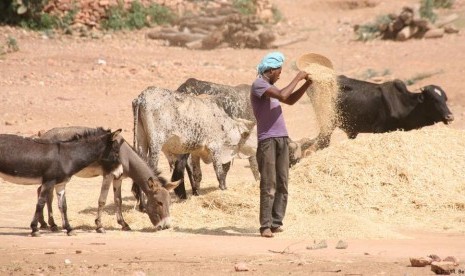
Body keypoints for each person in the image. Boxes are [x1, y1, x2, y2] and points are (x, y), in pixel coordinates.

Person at [250, 51, 312, 238]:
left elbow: (290, 100)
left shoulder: (271, 88)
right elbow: (285, 95)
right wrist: (298, 77)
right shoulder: (259, 84)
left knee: (283, 182)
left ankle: (276, 222)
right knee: (269, 183)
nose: (280, 74)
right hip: (267, 140)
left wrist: (306, 84)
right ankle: (265, 226)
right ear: (270, 70)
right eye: (279, 71)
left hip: (282, 138)